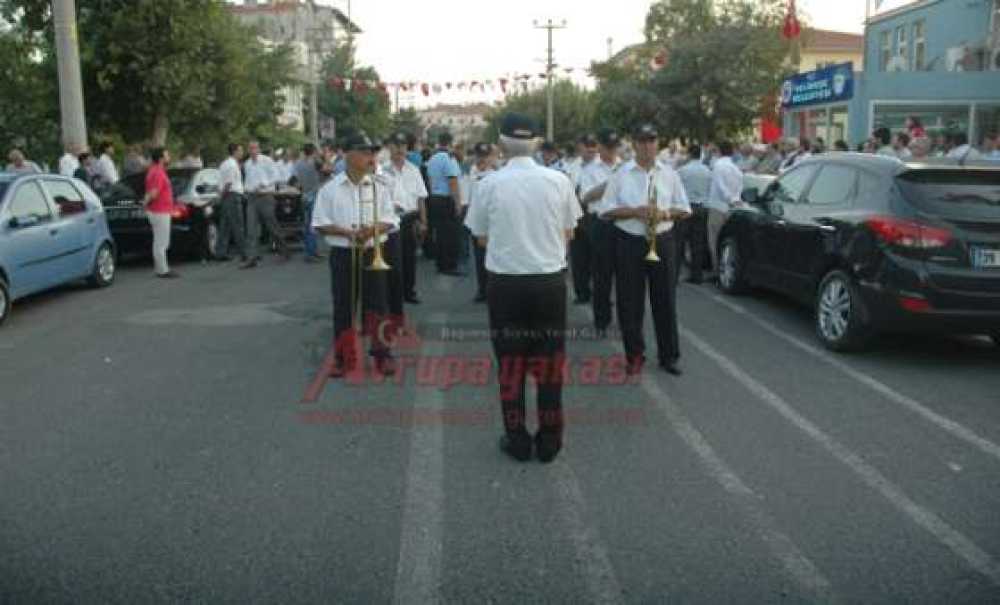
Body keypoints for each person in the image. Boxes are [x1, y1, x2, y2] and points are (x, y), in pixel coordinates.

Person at [465, 113, 581, 463]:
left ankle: (517, 439)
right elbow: (570, 231)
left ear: (501, 143)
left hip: (506, 283)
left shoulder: (489, 183)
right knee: (549, 365)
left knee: (511, 366)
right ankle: (549, 441)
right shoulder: (558, 181)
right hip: (548, 281)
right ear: (535, 143)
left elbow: (480, 236)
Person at [600, 124, 691, 377]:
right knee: (630, 303)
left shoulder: (670, 174)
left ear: (657, 144)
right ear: (634, 144)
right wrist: (635, 211)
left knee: (665, 301)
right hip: (629, 241)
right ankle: (634, 356)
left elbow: (684, 209)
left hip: (662, 239)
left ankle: (669, 356)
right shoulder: (621, 174)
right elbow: (605, 210)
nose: (647, 146)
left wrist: (664, 212)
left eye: (651, 141)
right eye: (642, 141)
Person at [312, 132, 398, 377]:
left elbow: (390, 219)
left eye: (372, 152)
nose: (370, 157)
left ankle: (383, 355)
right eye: (364, 152)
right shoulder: (329, 189)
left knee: (378, 306)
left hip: (373, 251)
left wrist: (372, 229)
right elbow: (319, 223)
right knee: (343, 307)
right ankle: (343, 357)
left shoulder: (380, 187)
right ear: (348, 154)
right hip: (343, 252)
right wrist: (346, 232)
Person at [577, 128, 622, 334]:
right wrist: (611, 184)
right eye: (608, 147)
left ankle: (627, 318)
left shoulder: (625, 166)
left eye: (615, 147)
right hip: (600, 223)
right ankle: (602, 321)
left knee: (626, 276)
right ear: (601, 148)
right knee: (601, 275)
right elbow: (585, 198)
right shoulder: (590, 170)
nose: (611, 151)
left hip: (624, 222)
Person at [383, 132, 429, 305]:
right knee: (392, 259)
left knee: (409, 258)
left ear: (406, 148)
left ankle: (409, 292)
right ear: (389, 148)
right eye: (396, 146)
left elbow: (421, 197)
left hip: (410, 218)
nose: (400, 149)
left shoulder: (414, 169)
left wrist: (424, 222)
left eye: (402, 146)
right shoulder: (382, 170)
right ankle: (392, 294)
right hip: (389, 220)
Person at [242, 140, 291, 268]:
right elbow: (247, 179)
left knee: (272, 226)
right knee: (251, 228)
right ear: (248, 150)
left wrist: (264, 183)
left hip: (265, 196)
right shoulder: (247, 164)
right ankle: (251, 258)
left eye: (255, 148)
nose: (252, 151)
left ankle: (284, 250)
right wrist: (246, 189)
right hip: (252, 198)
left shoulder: (267, 160)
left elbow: (276, 176)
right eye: (250, 148)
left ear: (258, 149)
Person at [706, 141, 744, 283]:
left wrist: (730, 198)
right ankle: (723, 269)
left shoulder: (718, 165)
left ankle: (716, 271)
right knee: (726, 242)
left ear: (719, 151)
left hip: (718, 206)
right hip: (732, 208)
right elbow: (740, 184)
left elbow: (720, 185)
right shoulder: (735, 167)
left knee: (714, 240)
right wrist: (735, 199)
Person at [426, 132, 463, 276]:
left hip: (434, 198)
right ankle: (449, 265)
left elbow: (429, 180)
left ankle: (440, 264)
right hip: (446, 199)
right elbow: (453, 181)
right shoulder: (448, 158)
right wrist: (458, 203)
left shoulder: (433, 158)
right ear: (450, 143)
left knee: (440, 234)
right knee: (451, 234)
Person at [568, 134, 599, 306]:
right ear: (579, 146)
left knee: (598, 259)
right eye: (586, 145)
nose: (590, 149)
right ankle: (582, 293)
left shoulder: (602, 166)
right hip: (576, 215)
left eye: (593, 145)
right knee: (578, 257)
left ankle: (600, 293)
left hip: (595, 215)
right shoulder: (573, 166)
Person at [675, 144, 713, 285]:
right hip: (701, 208)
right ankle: (697, 275)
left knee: (679, 243)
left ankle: (675, 275)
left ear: (690, 154)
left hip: (685, 208)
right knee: (697, 244)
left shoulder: (683, 170)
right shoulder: (708, 171)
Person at [465, 142, 497, 303]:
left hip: (493, 223)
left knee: (494, 258)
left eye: (485, 156)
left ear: (491, 157)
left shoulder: (497, 174)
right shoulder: (471, 171)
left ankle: (494, 290)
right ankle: (482, 289)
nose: (482, 160)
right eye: (479, 156)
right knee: (478, 258)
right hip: (475, 221)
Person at [143, 147, 178, 278]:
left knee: (159, 241)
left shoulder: (153, 171)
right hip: (160, 210)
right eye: (167, 155)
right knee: (161, 242)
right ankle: (163, 270)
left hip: (157, 210)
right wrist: (145, 202)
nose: (169, 157)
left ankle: (160, 268)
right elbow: (154, 192)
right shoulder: (158, 172)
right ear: (161, 158)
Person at [217, 143, 247, 263]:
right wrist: (221, 196)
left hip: (227, 196)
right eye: (240, 150)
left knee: (225, 225)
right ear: (234, 151)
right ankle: (244, 252)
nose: (242, 153)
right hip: (232, 196)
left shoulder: (224, 163)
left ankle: (221, 252)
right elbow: (229, 183)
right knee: (238, 225)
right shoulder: (232, 165)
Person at [295, 143, 323, 263]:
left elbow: (294, 180)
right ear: (313, 152)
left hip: (304, 195)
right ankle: (310, 253)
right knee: (312, 226)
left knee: (307, 225)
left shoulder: (298, 163)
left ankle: (313, 251)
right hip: (314, 195)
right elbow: (326, 168)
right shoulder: (315, 163)